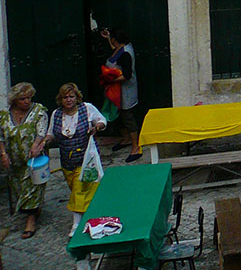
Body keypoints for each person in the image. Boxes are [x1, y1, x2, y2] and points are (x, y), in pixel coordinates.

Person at [47, 83, 106, 234]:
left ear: (76, 97)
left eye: (71, 96)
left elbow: (102, 121)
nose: (68, 100)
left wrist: (96, 127)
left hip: (85, 157)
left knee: (79, 188)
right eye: (65, 97)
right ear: (61, 99)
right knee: (76, 189)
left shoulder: (87, 109)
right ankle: (90, 215)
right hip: (67, 160)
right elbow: (51, 133)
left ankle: (76, 225)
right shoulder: (56, 114)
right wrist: (44, 141)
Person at [0, 83, 50, 238]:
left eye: (28, 98)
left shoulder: (38, 111)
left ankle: (31, 220)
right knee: (18, 188)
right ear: (15, 100)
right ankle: (33, 210)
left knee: (33, 186)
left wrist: (36, 145)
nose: (26, 101)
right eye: (22, 98)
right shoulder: (4, 115)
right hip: (14, 160)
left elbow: (41, 131)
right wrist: (3, 154)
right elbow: (1, 137)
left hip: (33, 159)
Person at [102, 27, 142, 161]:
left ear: (115, 40)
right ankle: (126, 139)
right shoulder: (121, 48)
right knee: (117, 116)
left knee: (128, 117)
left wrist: (111, 80)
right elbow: (114, 50)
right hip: (115, 92)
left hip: (125, 92)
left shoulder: (125, 54)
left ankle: (135, 146)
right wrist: (108, 37)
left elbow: (127, 75)